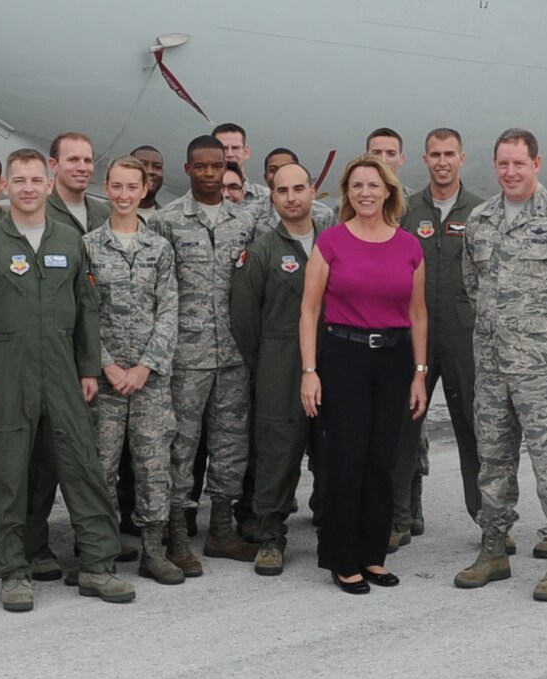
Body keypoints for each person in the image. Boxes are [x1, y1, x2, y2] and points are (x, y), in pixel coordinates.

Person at [0, 149, 134, 611]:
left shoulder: (70, 240)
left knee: (81, 467)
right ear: (5, 188)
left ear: (49, 186)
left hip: (63, 373)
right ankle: (13, 571)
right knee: (8, 475)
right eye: (20, 180)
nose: (29, 188)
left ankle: (97, 564)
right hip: (5, 372)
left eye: (37, 180)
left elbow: (86, 308)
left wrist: (88, 367)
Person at [453, 130, 547, 602]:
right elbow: (473, 285)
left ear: (537, 164)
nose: (511, 172)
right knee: (493, 461)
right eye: (503, 164)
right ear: (494, 165)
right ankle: (494, 547)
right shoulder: (479, 220)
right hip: (493, 368)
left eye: (520, 163)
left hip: (546, 372)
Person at [299, 155, 427, 593]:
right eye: (357, 186)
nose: (365, 193)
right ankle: (342, 558)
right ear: (347, 193)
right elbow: (310, 309)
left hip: (393, 360)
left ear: (388, 191)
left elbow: (418, 314)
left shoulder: (409, 245)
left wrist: (419, 374)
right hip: (344, 356)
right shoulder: (331, 242)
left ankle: (373, 556)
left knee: (381, 460)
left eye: (373, 185)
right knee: (348, 458)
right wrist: (310, 371)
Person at [149, 135, 261, 562]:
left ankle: (221, 530)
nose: (211, 174)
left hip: (233, 356)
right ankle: (176, 532)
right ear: (189, 169)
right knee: (181, 445)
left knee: (230, 443)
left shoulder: (245, 221)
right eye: (202, 166)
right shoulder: (166, 221)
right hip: (185, 359)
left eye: (218, 166)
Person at [82, 156, 185, 584]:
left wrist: (145, 366)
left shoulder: (159, 248)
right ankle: (99, 550)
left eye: (132, 187)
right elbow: (83, 314)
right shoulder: (88, 246)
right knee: (101, 466)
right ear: (106, 188)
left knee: (153, 464)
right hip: (105, 382)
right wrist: (106, 364)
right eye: (117, 186)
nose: (124, 195)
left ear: (144, 191)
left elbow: (169, 311)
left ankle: (153, 549)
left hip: (149, 381)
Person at [231, 162, 331, 575]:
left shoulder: (335, 244)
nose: (291, 197)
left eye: (299, 188)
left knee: (332, 446)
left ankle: (332, 523)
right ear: (271, 197)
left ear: (312, 193)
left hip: (334, 360)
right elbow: (243, 319)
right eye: (282, 190)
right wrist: (269, 361)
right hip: (279, 363)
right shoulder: (260, 252)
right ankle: (271, 535)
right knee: (276, 447)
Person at [26, 131, 114, 577]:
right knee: (43, 458)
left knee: (86, 457)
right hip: (49, 353)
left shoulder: (102, 212)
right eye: (72, 159)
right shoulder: (42, 212)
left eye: (88, 159)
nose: (82, 167)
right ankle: (35, 544)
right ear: (52, 166)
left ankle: (92, 540)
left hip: (92, 351)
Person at [399, 127, 484, 544]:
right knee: (402, 426)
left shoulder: (483, 212)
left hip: (463, 337)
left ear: (462, 158)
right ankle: (397, 517)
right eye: (435, 154)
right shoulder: (406, 210)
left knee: (475, 426)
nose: (442, 162)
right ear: (425, 159)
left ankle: (489, 520)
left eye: (450, 154)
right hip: (413, 334)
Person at [261, 148, 336, 229]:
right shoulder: (254, 213)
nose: (280, 173)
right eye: (273, 170)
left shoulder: (323, 214)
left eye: (287, 168)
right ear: (265, 178)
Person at [214, 122, 269, 207]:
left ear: (246, 152)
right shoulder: (200, 196)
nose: (229, 154)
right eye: (223, 148)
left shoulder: (266, 197)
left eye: (235, 148)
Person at [131, 145, 166, 218]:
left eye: (157, 167)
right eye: (142, 165)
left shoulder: (169, 220)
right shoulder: (104, 214)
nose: (150, 171)